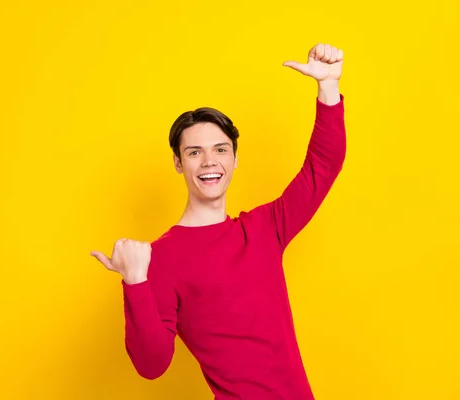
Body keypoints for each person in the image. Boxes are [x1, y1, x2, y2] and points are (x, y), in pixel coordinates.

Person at [91, 43, 346, 400]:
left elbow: (322, 166)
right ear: (179, 163)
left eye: (220, 149)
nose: (210, 161)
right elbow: (152, 365)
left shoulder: (264, 228)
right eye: (195, 152)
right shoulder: (159, 258)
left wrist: (328, 87)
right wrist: (135, 281)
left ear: (235, 159)